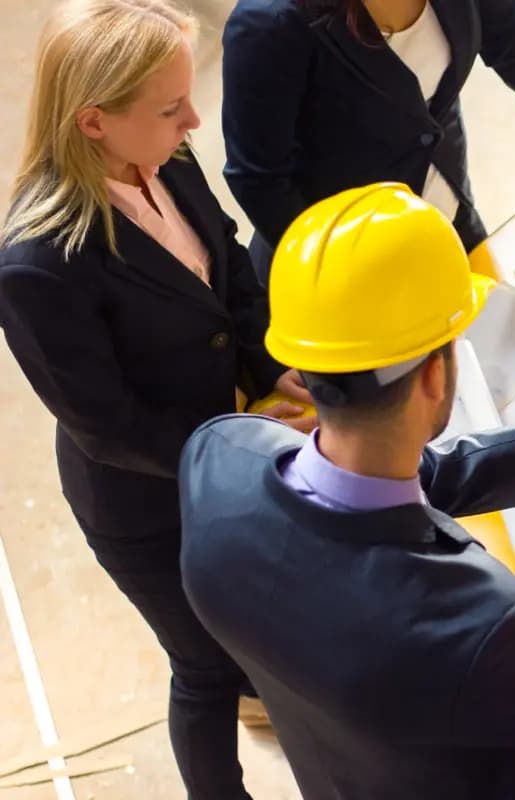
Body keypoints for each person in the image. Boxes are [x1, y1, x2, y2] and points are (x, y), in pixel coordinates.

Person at [177, 182, 515, 799]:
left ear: (305, 365)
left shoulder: (216, 462)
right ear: (436, 375)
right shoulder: (480, 623)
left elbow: (347, 490)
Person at [0, 0, 314, 797]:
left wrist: (265, 360)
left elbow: (230, 269)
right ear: (94, 121)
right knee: (202, 667)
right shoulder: (38, 265)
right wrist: (240, 444)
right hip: (145, 499)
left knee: (257, 627)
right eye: (172, 106)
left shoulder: (167, 159)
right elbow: (108, 427)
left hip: (223, 437)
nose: (195, 119)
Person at [221, 0, 515, 280]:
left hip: (445, 207)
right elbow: (260, 179)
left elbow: (512, 40)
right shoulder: (269, 26)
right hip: (344, 261)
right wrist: (343, 280)